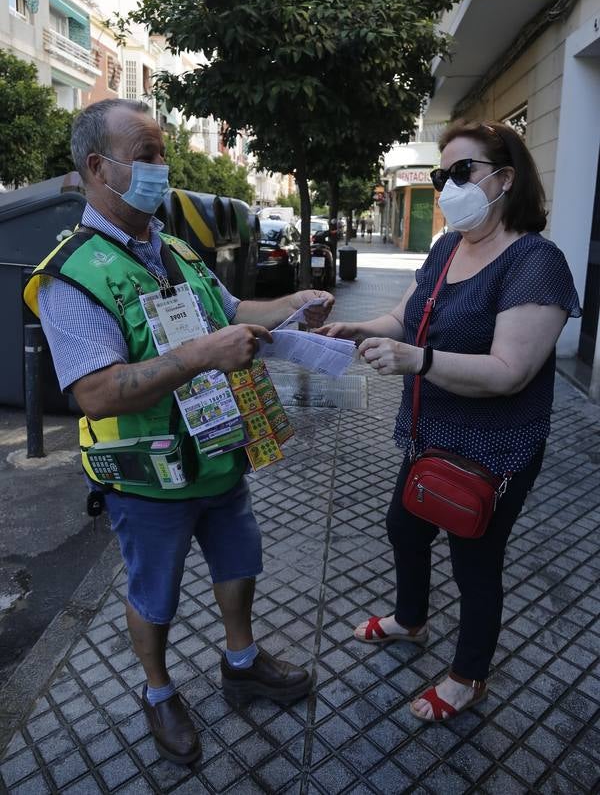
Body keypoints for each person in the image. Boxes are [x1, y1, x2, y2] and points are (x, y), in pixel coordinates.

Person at [24, 99, 334, 765]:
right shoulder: (72, 275)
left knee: (240, 562)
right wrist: (200, 355)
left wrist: (294, 307)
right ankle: (159, 691)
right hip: (148, 478)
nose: (162, 168)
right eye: (149, 154)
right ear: (97, 167)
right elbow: (96, 393)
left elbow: (233, 311)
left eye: (163, 153)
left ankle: (242, 661)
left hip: (220, 452)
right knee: (154, 593)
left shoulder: (175, 248)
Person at [316, 119, 580, 723]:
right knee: (404, 528)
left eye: (463, 172)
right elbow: (407, 316)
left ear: (505, 178)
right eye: (442, 175)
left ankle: (468, 676)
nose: (447, 186)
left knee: (475, 560)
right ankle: (411, 620)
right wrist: (361, 329)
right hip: (428, 431)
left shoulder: (536, 261)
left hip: (496, 446)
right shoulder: (448, 246)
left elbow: (511, 369)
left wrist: (419, 359)